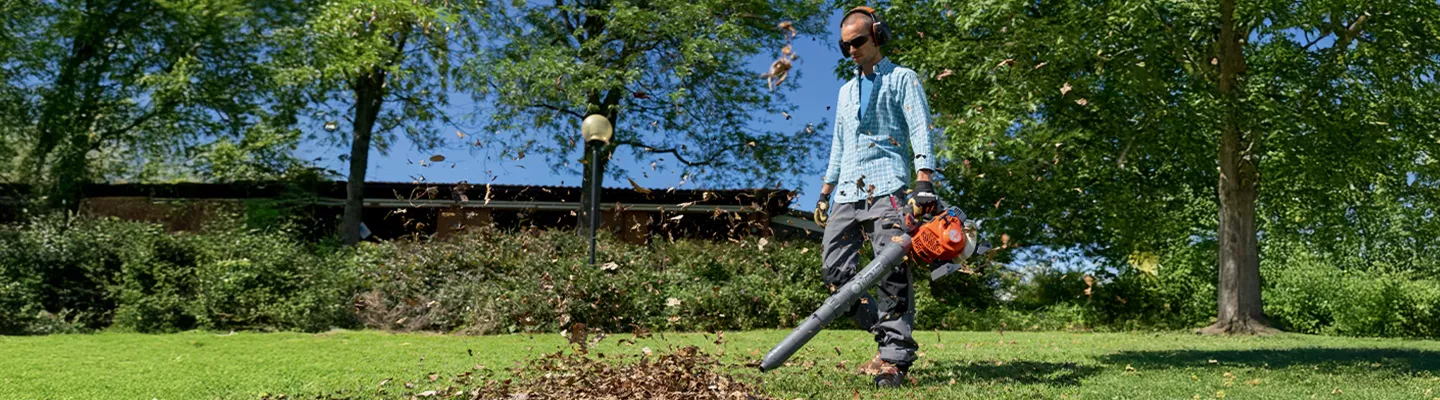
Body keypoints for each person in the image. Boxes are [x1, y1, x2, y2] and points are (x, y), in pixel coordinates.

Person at [811, 6, 938, 389]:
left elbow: (920, 128)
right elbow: (839, 146)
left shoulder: (902, 79)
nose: (851, 49)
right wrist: (824, 192)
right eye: (844, 44)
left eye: (858, 41)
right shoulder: (846, 91)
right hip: (849, 191)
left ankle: (894, 359)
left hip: (890, 188)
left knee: (890, 273)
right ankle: (884, 336)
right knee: (835, 273)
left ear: (878, 36)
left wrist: (924, 180)